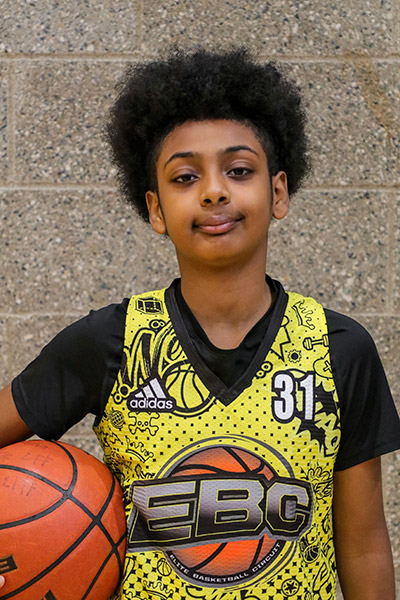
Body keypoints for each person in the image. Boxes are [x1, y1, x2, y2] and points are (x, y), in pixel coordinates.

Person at [0, 47, 399, 600]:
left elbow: (363, 544)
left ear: (278, 192)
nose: (214, 190)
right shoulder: (113, 342)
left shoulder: (338, 348)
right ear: (156, 209)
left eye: (239, 170)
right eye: (185, 177)